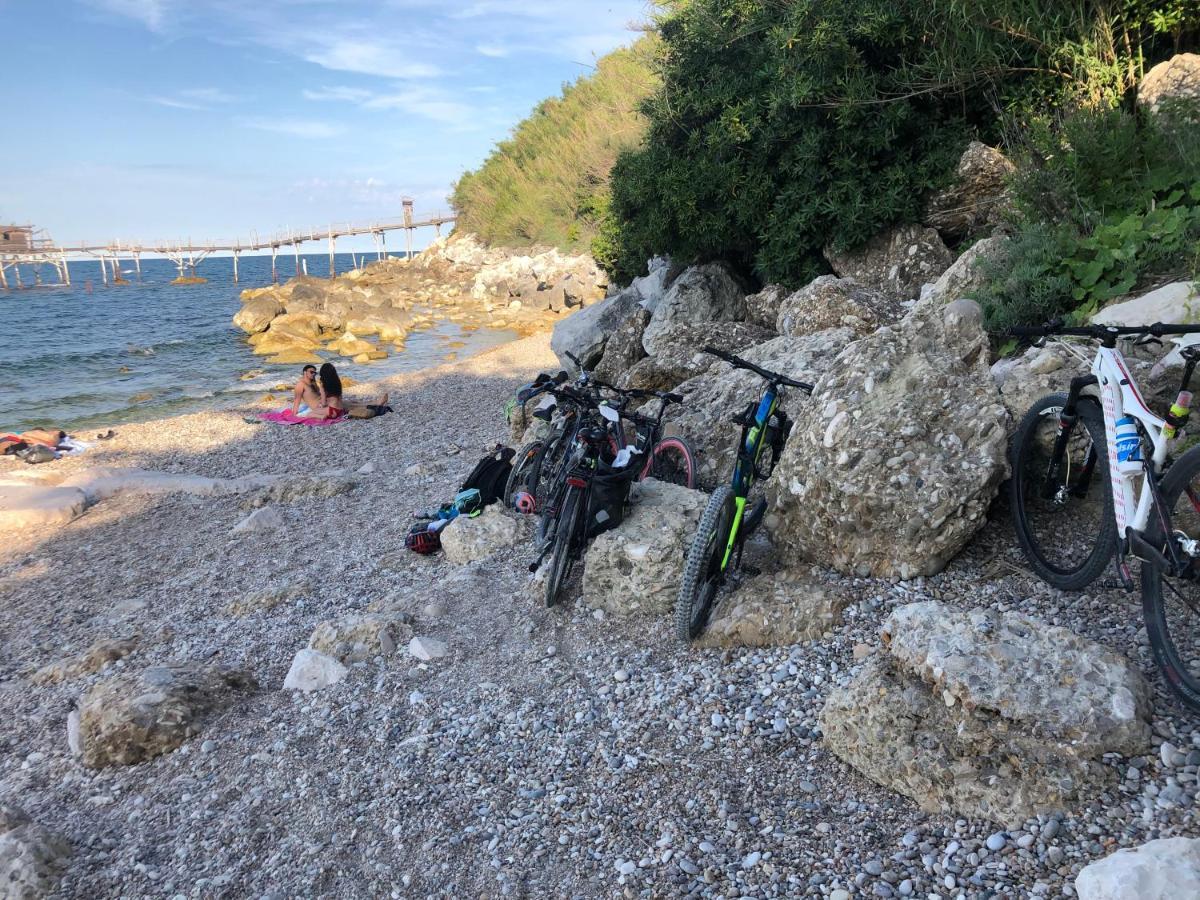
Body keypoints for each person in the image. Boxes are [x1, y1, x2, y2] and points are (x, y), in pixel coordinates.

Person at [316, 362, 389, 419]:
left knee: (351, 405)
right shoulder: (337, 383)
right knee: (352, 403)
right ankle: (376, 402)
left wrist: (320, 404)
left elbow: (324, 404)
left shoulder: (323, 386)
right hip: (340, 406)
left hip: (335, 410)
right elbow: (340, 398)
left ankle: (377, 403)